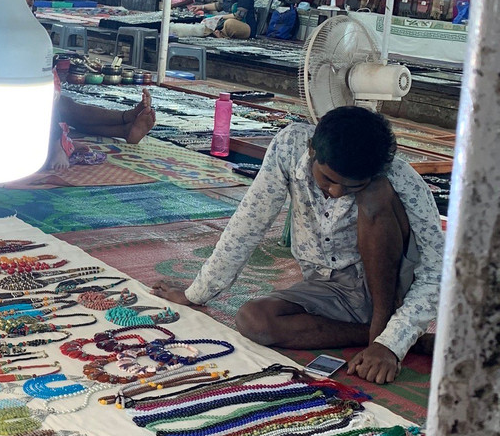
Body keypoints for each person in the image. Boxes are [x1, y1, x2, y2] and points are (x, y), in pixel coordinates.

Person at [151, 107, 442, 385]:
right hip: (327, 288)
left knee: (376, 194)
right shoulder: (290, 147)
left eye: (352, 186)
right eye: (328, 179)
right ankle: (382, 336)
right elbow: (249, 222)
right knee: (253, 320)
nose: (336, 192)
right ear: (312, 150)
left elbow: (434, 271)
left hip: (386, 290)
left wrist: (390, 344)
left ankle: (383, 328)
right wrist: (197, 293)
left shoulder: (398, 176)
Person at [14, 0, 156, 172]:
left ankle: (125, 123)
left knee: (63, 105)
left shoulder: (32, 37)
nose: (26, 11)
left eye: (29, 6)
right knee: (55, 105)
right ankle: (61, 143)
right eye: (19, 4)